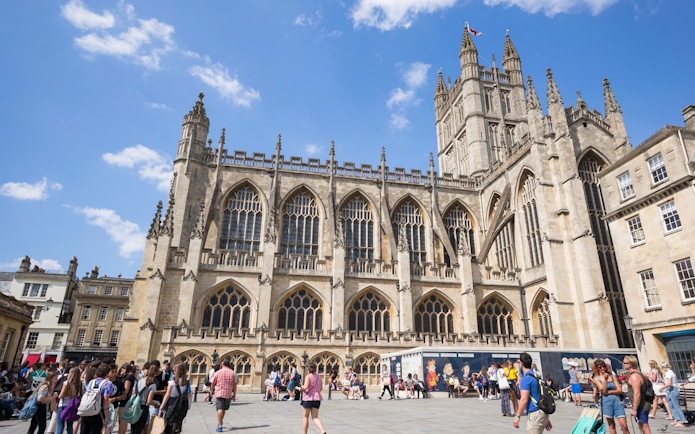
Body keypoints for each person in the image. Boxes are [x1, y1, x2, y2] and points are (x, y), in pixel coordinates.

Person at [513, 353, 552, 433]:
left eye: (518, 362)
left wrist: (517, 416)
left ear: (521, 364)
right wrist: (545, 419)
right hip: (542, 412)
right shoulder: (536, 376)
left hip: (534, 413)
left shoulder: (525, 379)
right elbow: (540, 395)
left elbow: (524, 399)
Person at [590, 359, 628, 434]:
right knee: (611, 425)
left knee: (624, 425)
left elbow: (619, 390)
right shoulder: (596, 378)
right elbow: (603, 390)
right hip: (606, 402)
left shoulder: (612, 376)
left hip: (617, 401)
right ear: (597, 368)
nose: (602, 368)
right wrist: (605, 380)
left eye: (603, 366)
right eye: (600, 367)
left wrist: (609, 392)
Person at [80, 364, 116, 434]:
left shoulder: (92, 381)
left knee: (84, 431)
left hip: (87, 409)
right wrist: (106, 417)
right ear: (107, 373)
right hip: (98, 411)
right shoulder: (108, 384)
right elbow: (105, 401)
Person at [158, 363, 191, 434]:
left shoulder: (172, 382)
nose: (173, 372)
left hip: (171, 404)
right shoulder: (186, 382)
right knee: (177, 426)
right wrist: (187, 406)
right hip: (180, 406)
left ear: (179, 371)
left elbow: (167, 395)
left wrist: (161, 408)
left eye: (174, 371)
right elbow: (188, 394)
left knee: (168, 425)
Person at [624, 356, 651, 434]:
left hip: (641, 405)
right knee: (642, 426)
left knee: (644, 427)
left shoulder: (635, 376)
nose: (623, 364)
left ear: (630, 364)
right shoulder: (638, 373)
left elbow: (637, 393)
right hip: (642, 404)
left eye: (625, 363)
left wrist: (634, 409)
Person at [28, 370, 59, 434]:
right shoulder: (45, 386)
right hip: (40, 407)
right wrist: (52, 397)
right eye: (55, 378)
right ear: (50, 378)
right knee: (42, 427)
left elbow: (48, 396)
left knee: (33, 426)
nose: (56, 379)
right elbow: (40, 398)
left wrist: (52, 389)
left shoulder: (49, 386)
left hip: (41, 407)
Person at [210, 359, 237, 432]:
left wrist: (211, 391)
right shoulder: (233, 373)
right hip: (228, 394)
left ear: (223, 365)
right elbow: (235, 384)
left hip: (219, 393)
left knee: (220, 409)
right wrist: (234, 393)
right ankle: (220, 422)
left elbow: (212, 382)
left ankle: (220, 425)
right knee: (223, 409)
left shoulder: (218, 372)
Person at [299, 363, 326, 434]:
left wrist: (300, 387)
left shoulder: (308, 376)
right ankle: (322, 430)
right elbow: (320, 388)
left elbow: (305, 387)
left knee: (305, 417)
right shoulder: (319, 377)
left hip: (308, 398)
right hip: (317, 398)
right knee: (315, 417)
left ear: (308, 369)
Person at [131, 366, 159, 434]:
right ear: (155, 373)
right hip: (143, 408)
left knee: (133, 429)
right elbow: (149, 401)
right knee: (139, 429)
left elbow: (133, 395)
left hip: (134, 407)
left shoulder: (139, 381)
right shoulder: (152, 385)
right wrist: (156, 405)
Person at [659, 362, 687, 428]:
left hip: (673, 390)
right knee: (671, 406)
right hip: (670, 390)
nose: (662, 369)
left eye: (662, 367)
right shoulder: (670, 373)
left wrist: (662, 388)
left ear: (664, 367)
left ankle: (683, 421)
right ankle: (677, 419)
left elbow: (669, 383)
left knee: (676, 406)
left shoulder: (669, 373)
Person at [57, 367, 81, 434]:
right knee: (70, 426)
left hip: (63, 405)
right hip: (73, 405)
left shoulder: (66, 383)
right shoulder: (79, 384)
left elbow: (61, 396)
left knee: (60, 425)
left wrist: (57, 395)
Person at [116, 364, 136, 434]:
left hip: (125, 400)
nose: (121, 371)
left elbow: (126, 390)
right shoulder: (131, 376)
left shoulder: (128, 377)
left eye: (122, 369)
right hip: (127, 400)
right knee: (123, 420)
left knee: (121, 420)